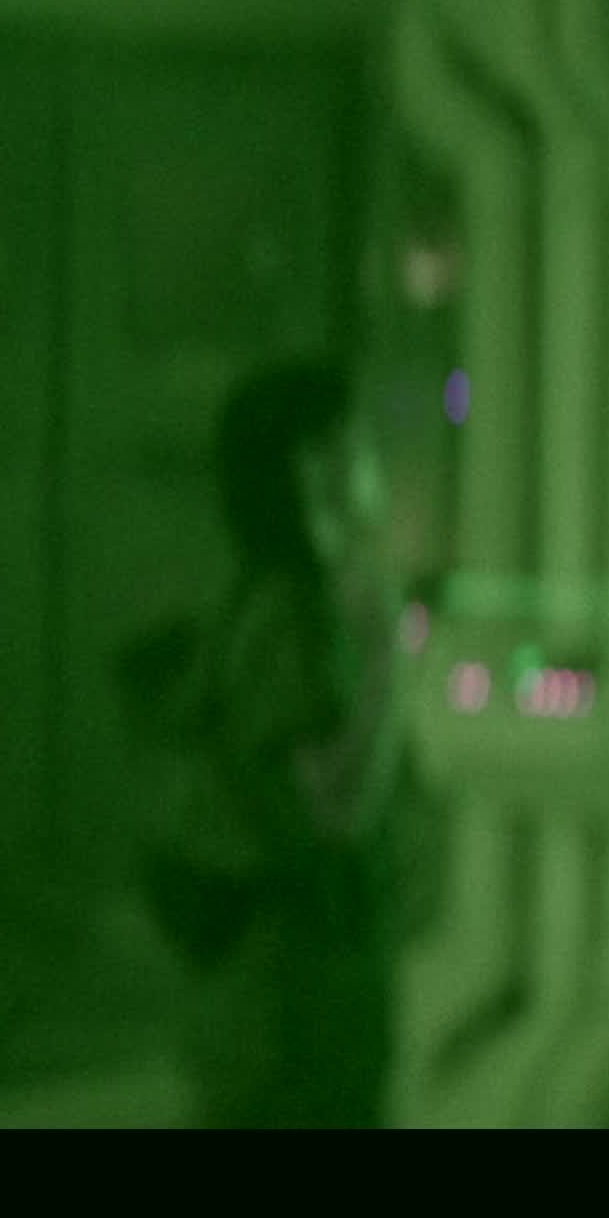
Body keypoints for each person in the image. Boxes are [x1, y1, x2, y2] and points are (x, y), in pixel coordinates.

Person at [140, 357, 408, 1128]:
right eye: (354, 443)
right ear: (310, 468)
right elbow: (314, 793)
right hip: (292, 975)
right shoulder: (301, 613)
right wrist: (386, 660)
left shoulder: (259, 596)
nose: (372, 462)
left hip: (258, 970)